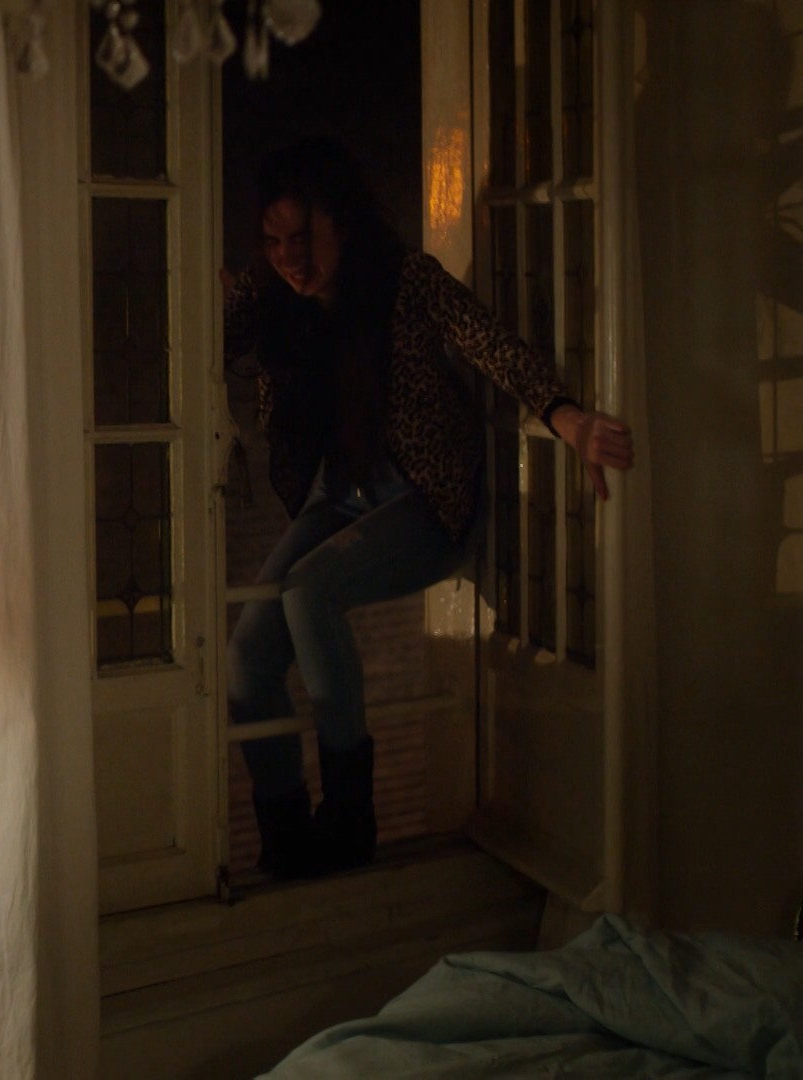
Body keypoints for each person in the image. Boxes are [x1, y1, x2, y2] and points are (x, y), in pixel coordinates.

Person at [221, 137, 633, 880]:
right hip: (336, 498)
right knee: (248, 654)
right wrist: (209, 301)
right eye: (274, 242)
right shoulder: (271, 296)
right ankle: (286, 839)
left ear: (341, 222)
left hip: (424, 500)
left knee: (307, 592)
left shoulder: (405, 280)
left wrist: (567, 417)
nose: (289, 258)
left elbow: (492, 344)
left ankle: (349, 820)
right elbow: (200, 344)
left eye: (302, 237)